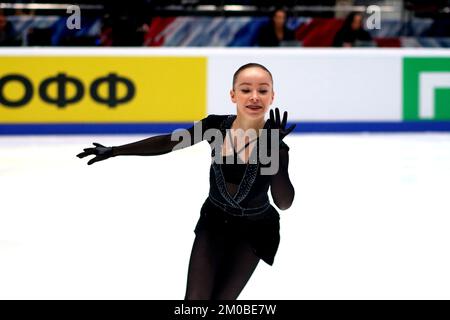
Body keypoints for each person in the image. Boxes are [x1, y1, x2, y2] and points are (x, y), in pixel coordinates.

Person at [76, 63, 296, 300]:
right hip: (215, 221)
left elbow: (283, 202)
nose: (254, 97)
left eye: (262, 91)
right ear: (233, 95)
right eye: (245, 90)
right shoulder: (215, 127)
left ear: (272, 96)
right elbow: (170, 142)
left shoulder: (275, 145)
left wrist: (271, 148)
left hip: (256, 228)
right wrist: (116, 150)